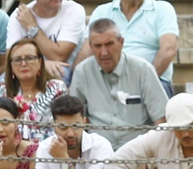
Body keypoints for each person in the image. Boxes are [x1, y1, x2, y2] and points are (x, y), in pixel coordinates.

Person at [68, 19, 168, 150]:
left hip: (138, 153)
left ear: (121, 43)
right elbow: (74, 119)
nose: (104, 52)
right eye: (98, 46)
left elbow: (161, 120)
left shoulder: (143, 69)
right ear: (91, 47)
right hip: (97, 153)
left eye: (109, 44)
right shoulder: (82, 72)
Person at [90, 0, 178, 95]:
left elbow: (168, 50)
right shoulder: (102, 12)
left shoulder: (162, 9)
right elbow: (87, 50)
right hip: (109, 81)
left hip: (154, 82)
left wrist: (144, 82)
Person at [9, 0, 87, 81]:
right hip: (27, 70)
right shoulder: (20, 15)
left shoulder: (74, 11)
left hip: (62, 72)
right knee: (4, 79)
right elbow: (10, 57)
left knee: (57, 74)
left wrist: (32, 27)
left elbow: (59, 56)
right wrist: (42, 64)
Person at [0, 36, 69, 141]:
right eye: (17, 59)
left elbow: (60, 128)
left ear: (40, 63)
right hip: (11, 151)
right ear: (11, 67)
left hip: (47, 151)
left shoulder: (57, 88)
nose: (23, 64)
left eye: (29, 58)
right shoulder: (2, 89)